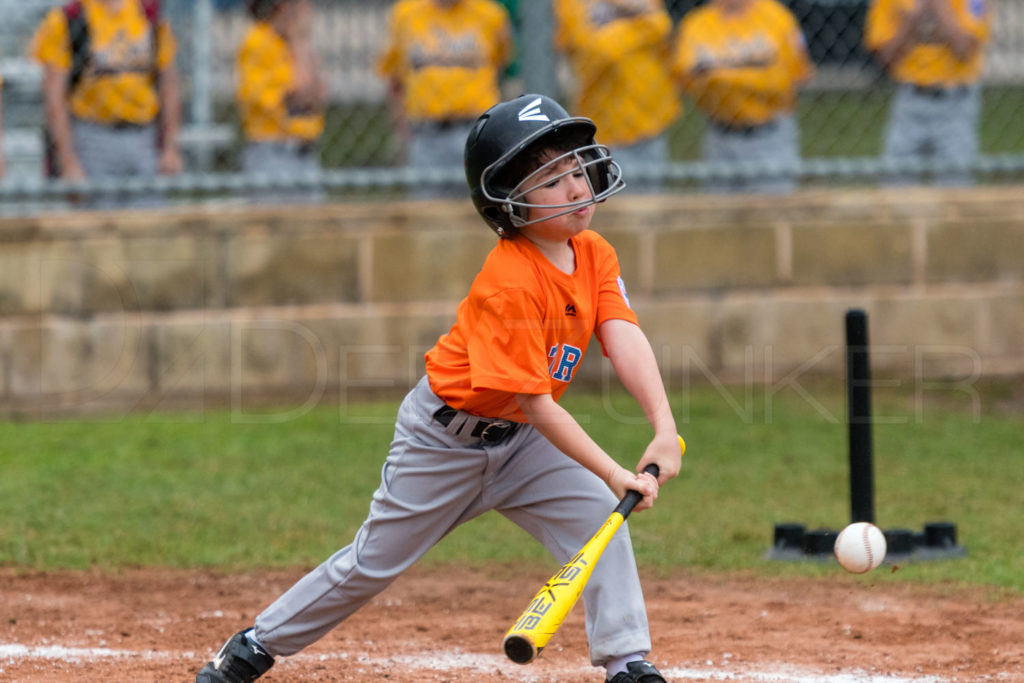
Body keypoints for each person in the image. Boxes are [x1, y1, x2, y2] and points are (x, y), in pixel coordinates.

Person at [193, 93, 682, 683]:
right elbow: (539, 404)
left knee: (598, 522)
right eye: (551, 180)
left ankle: (627, 663)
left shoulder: (594, 253)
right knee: (372, 564)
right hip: (444, 441)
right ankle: (255, 644)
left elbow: (622, 333)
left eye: (576, 169)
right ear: (508, 202)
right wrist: (613, 469)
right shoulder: (509, 283)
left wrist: (664, 426)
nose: (577, 188)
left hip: (523, 443)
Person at [30, 0, 183, 206]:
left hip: (144, 136)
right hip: (92, 137)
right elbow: (54, 96)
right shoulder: (70, 18)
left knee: (148, 223)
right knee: (98, 223)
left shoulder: (148, 13)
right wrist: (68, 161)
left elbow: (169, 84)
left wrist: (170, 147)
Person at [671, 0, 814, 194]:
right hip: (719, 137)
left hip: (769, 136)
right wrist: (751, 66)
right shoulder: (697, 23)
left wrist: (718, 70)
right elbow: (686, 78)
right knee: (721, 217)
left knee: (772, 215)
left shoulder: (777, 17)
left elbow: (788, 79)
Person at [377, 0, 514, 198]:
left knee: (481, 207)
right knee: (429, 213)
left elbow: (501, 66)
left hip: (476, 130)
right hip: (425, 133)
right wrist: (400, 124)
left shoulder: (489, 14)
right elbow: (394, 77)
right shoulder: (406, 13)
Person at [553, 0, 681, 193]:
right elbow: (591, 49)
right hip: (603, 126)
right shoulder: (569, 3)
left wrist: (609, 35)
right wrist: (635, 24)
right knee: (611, 199)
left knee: (654, 204)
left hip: (649, 118)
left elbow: (660, 25)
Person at [864, 0, 993, 186]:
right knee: (895, 185)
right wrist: (914, 20)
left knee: (956, 188)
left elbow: (964, 49)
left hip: (956, 102)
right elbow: (886, 58)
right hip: (909, 100)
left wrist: (938, 8)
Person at [236, 0, 327, 202]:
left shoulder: (295, 44)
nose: (308, 14)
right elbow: (299, 94)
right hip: (273, 154)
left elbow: (319, 94)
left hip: (305, 152)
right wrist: (299, 43)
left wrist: (300, 45)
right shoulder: (259, 41)